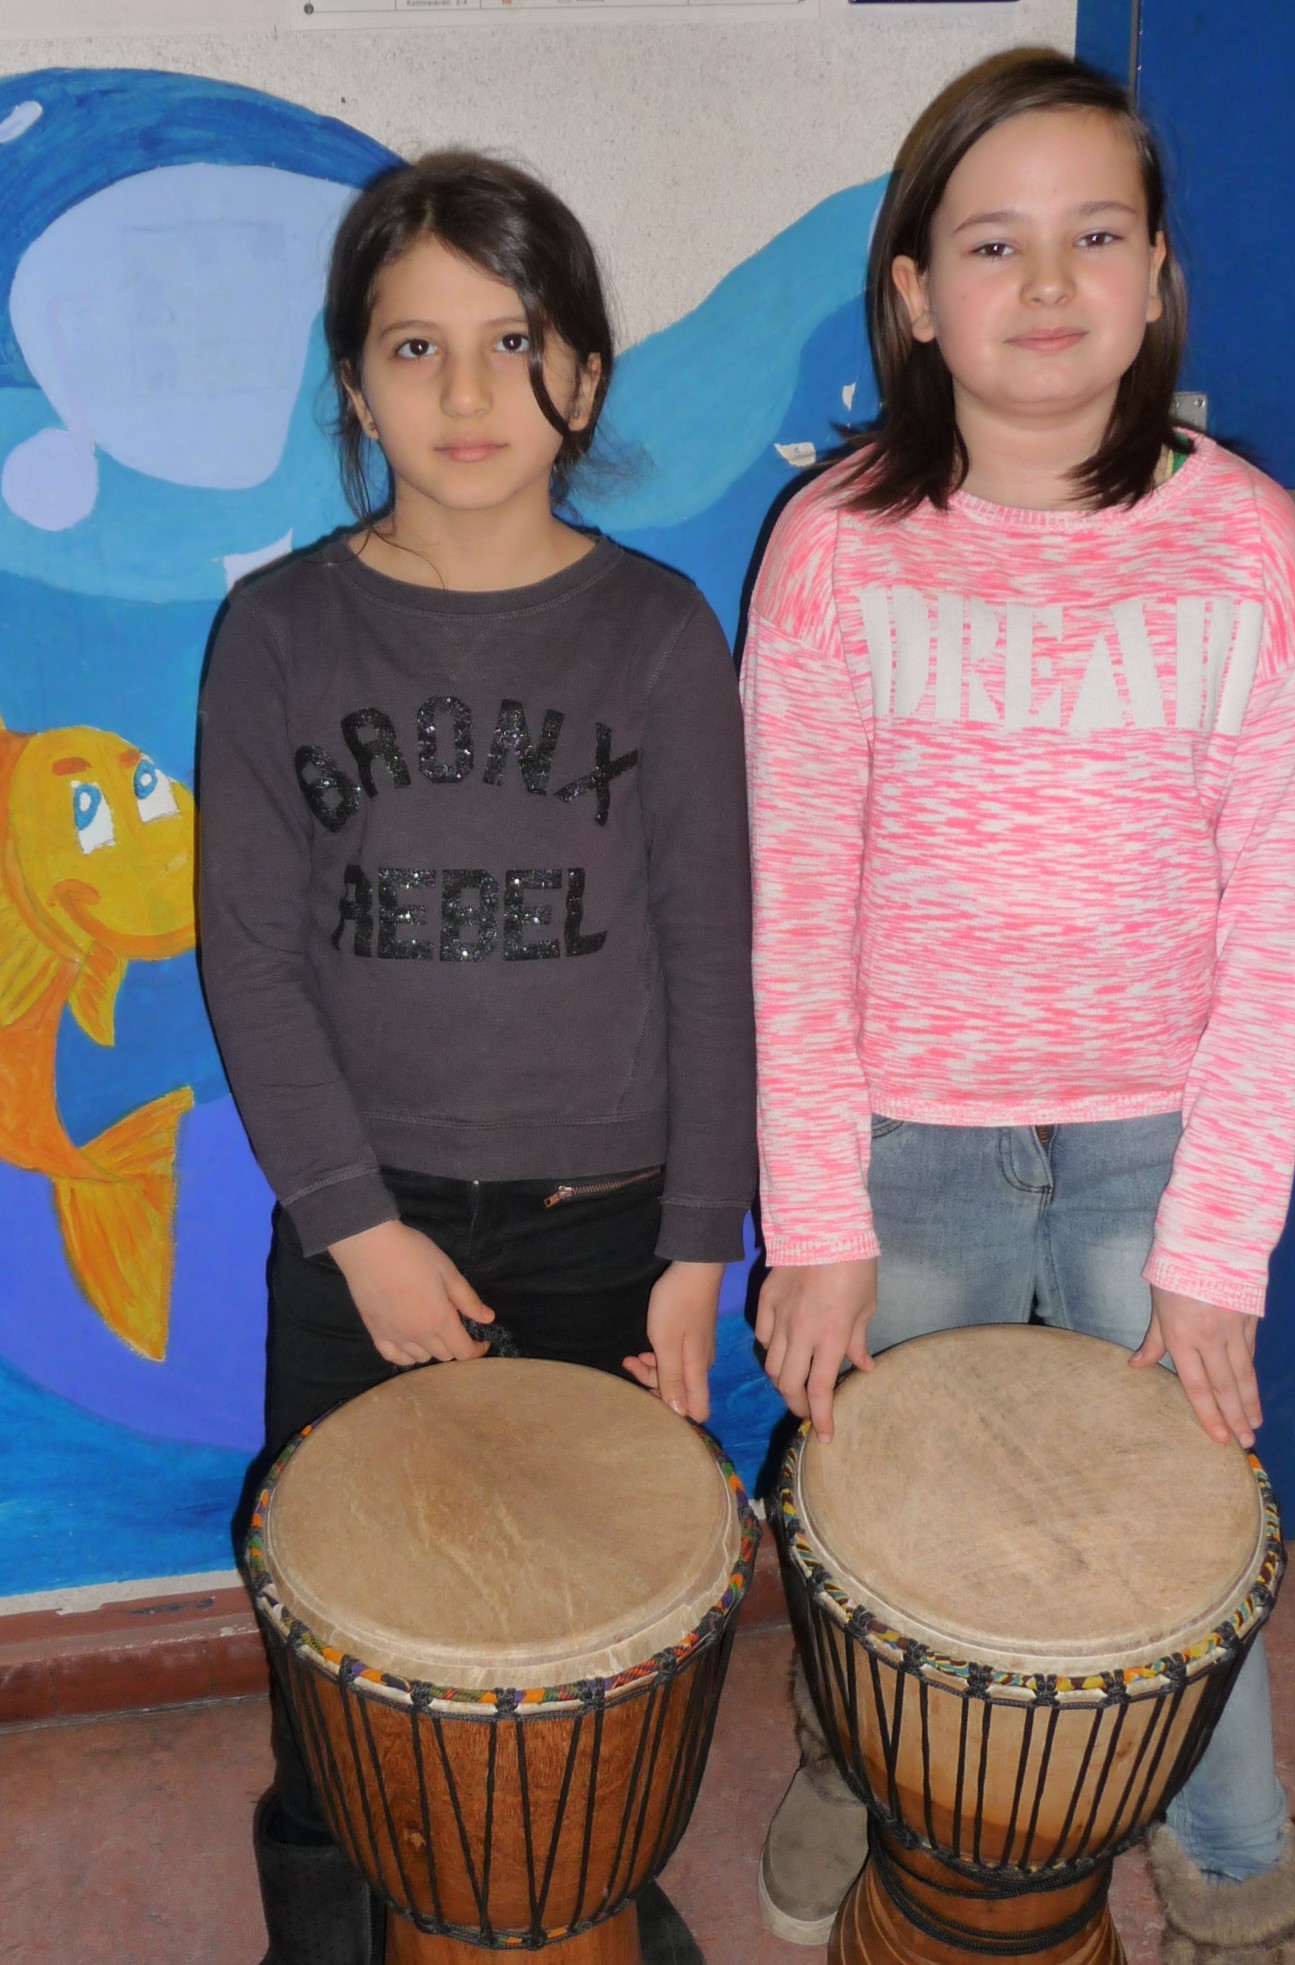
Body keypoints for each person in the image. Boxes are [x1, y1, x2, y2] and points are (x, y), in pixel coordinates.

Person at [741, 51, 1295, 1965]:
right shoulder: (833, 548)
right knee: (881, 1510)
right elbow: (790, 913)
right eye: (993, 243)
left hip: (1154, 1148)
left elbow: (1286, 921)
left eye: (1096, 234)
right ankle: (857, 1752)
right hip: (902, 1143)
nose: (1051, 280)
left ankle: (1232, 1863)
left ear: (1157, 275)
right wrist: (816, 1218)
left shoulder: (1245, 545)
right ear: (914, 293)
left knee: (1179, 1519)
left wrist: (1214, 1251)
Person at [198, 150, 755, 1965]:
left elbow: (712, 950)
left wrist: (698, 1243)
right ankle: (322, 1917)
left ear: (582, 373)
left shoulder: (656, 632)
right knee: (338, 1645)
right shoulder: (277, 632)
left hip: (608, 1225)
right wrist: (354, 1229)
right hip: (361, 1232)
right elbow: (250, 959)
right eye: (412, 346)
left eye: (511, 341)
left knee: (586, 1630)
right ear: (353, 388)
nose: (463, 390)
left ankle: (584, 1886)